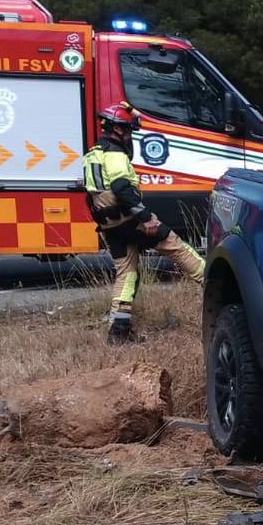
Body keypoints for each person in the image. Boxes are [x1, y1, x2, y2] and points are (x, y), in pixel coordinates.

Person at [82, 102, 205, 344]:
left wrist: (132, 110)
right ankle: (216, 288)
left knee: (126, 273)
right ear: (117, 130)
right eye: (127, 130)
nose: (130, 135)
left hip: (109, 225)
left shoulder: (93, 153)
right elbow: (121, 188)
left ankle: (118, 332)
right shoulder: (115, 154)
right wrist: (146, 218)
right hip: (129, 220)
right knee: (177, 247)